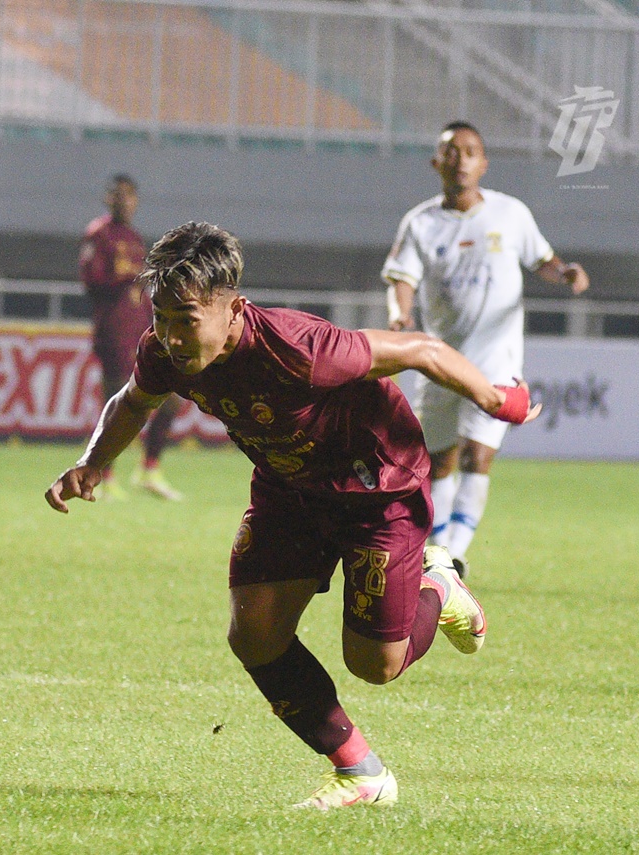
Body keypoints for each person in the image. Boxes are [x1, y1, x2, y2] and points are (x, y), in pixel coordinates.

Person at [46, 221, 541, 809]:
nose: (172, 337)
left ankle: (439, 586)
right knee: (253, 632)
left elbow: (422, 351)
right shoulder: (165, 351)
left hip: (374, 486)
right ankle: (362, 773)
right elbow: (134, 402)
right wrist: (93, 462)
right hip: (289, 489)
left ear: (233, 310)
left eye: (186, 319)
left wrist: (493, 398)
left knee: (375, 665)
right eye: (161, 317)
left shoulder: (297, 347)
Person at [383, 120, 589, 577]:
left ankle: (453, 552)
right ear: (437, 162)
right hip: (438, 360)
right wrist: (400, 315)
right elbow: (401, 277)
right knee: (439, 461)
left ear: (484, 163)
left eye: (470, 150)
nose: (461, 159)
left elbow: (543, 260)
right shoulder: (421, 223)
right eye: (451, 151)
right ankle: (440, 553)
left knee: (478, 454)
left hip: (497, 360)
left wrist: (567, 272)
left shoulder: (510, 214)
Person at [79, 174, 183, 500]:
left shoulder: (135, 239)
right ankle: (102, 475)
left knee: (171, 398)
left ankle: (149, 469)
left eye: (131, 195)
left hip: (141, 331)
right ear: (109, 198)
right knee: (118, 401)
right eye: (119, 195)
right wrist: (123, 277)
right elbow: (91, 280)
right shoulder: (99, 234)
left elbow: (141, 286)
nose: (126, 201)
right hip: (113, 331)